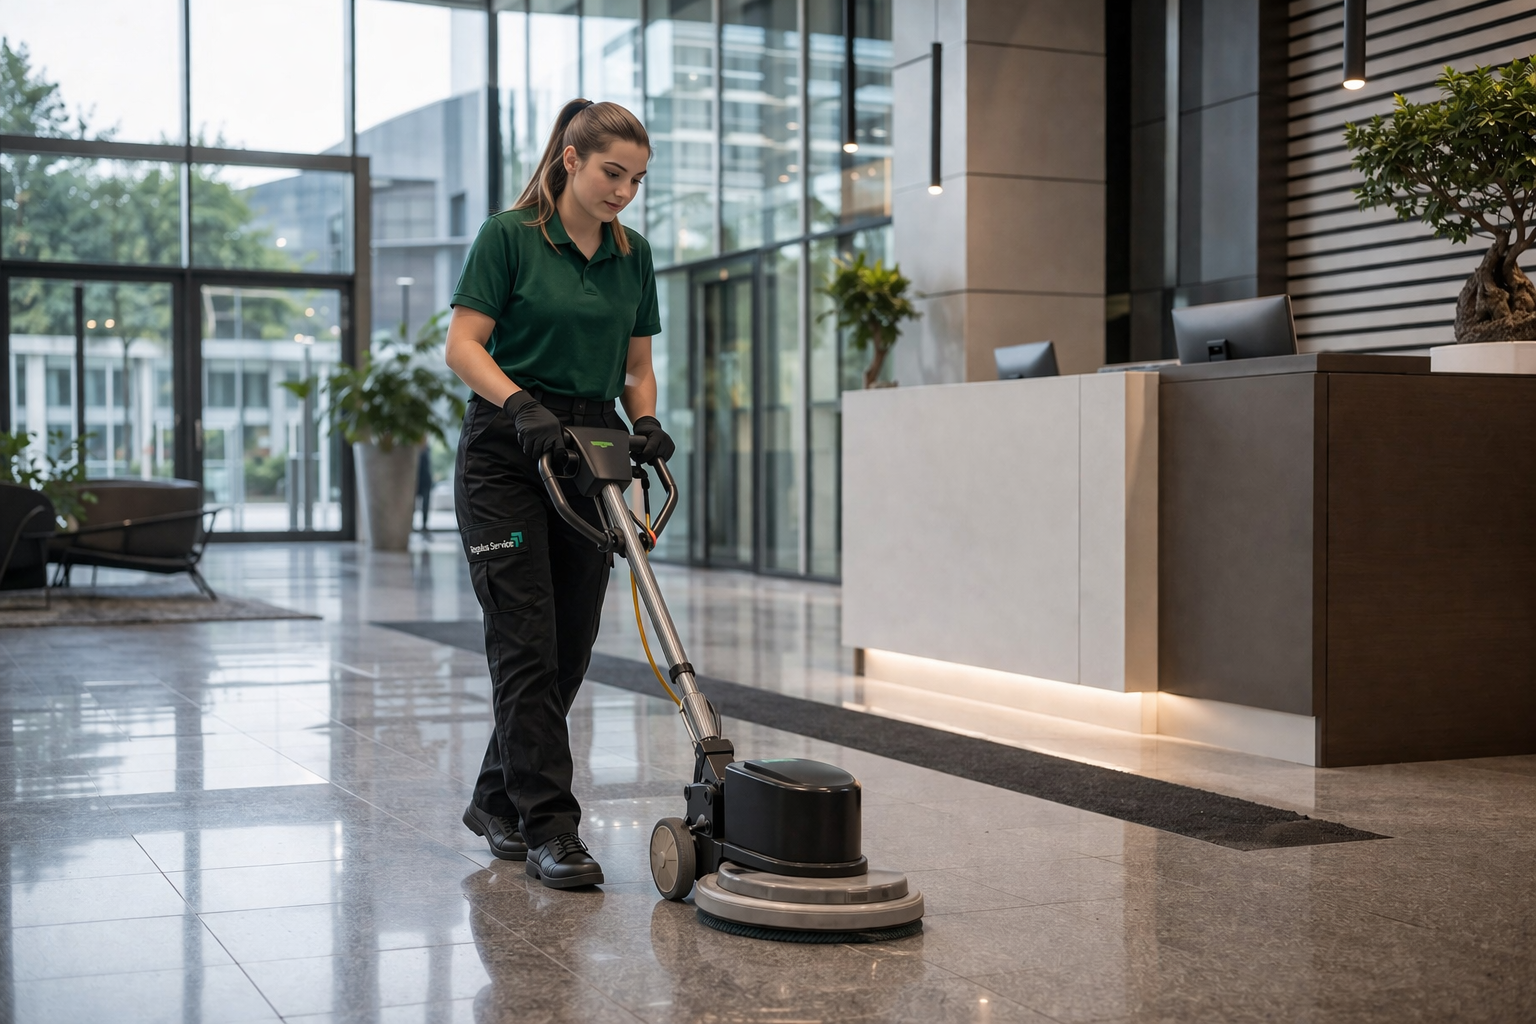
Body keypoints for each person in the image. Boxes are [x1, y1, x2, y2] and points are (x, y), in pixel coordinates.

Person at [444, 99, 674, 889]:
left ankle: (494, 799)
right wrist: (519, 404)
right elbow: (463, 345)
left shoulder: (632, 255)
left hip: (591, 446)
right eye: (613, 173)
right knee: (525, 641)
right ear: (570, 160)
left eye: (636, 180)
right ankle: (551, 829)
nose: (624, 192)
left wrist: (646, 422)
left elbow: (636, 366)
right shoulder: (509, 236)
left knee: (569, 645)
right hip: (507, 447)